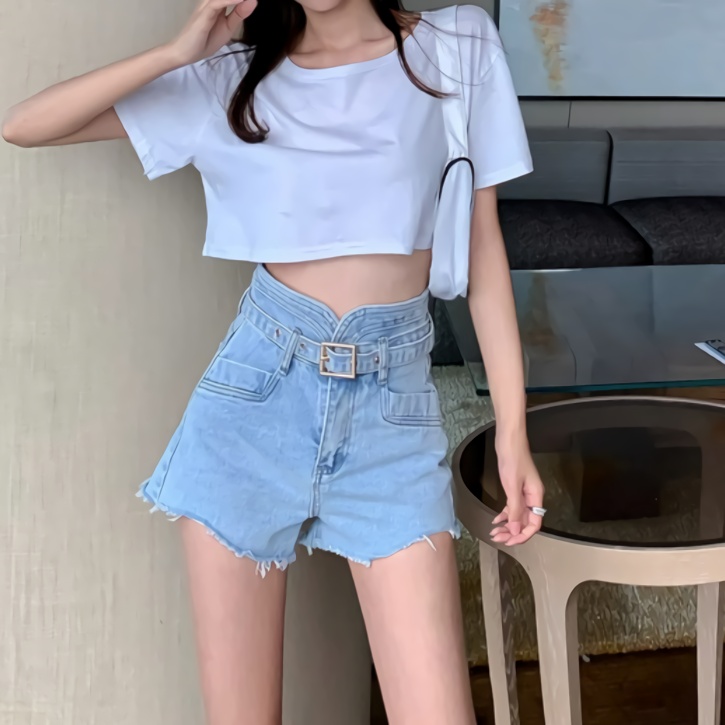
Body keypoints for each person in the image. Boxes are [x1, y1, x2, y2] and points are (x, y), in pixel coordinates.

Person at [3, 0, 545, 722]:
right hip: (255, 403)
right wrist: (176, 53)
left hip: (393, 408)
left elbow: (482, 244)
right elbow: (25, 125)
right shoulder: (229, 78)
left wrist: (512, 428)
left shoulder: (456, 45)